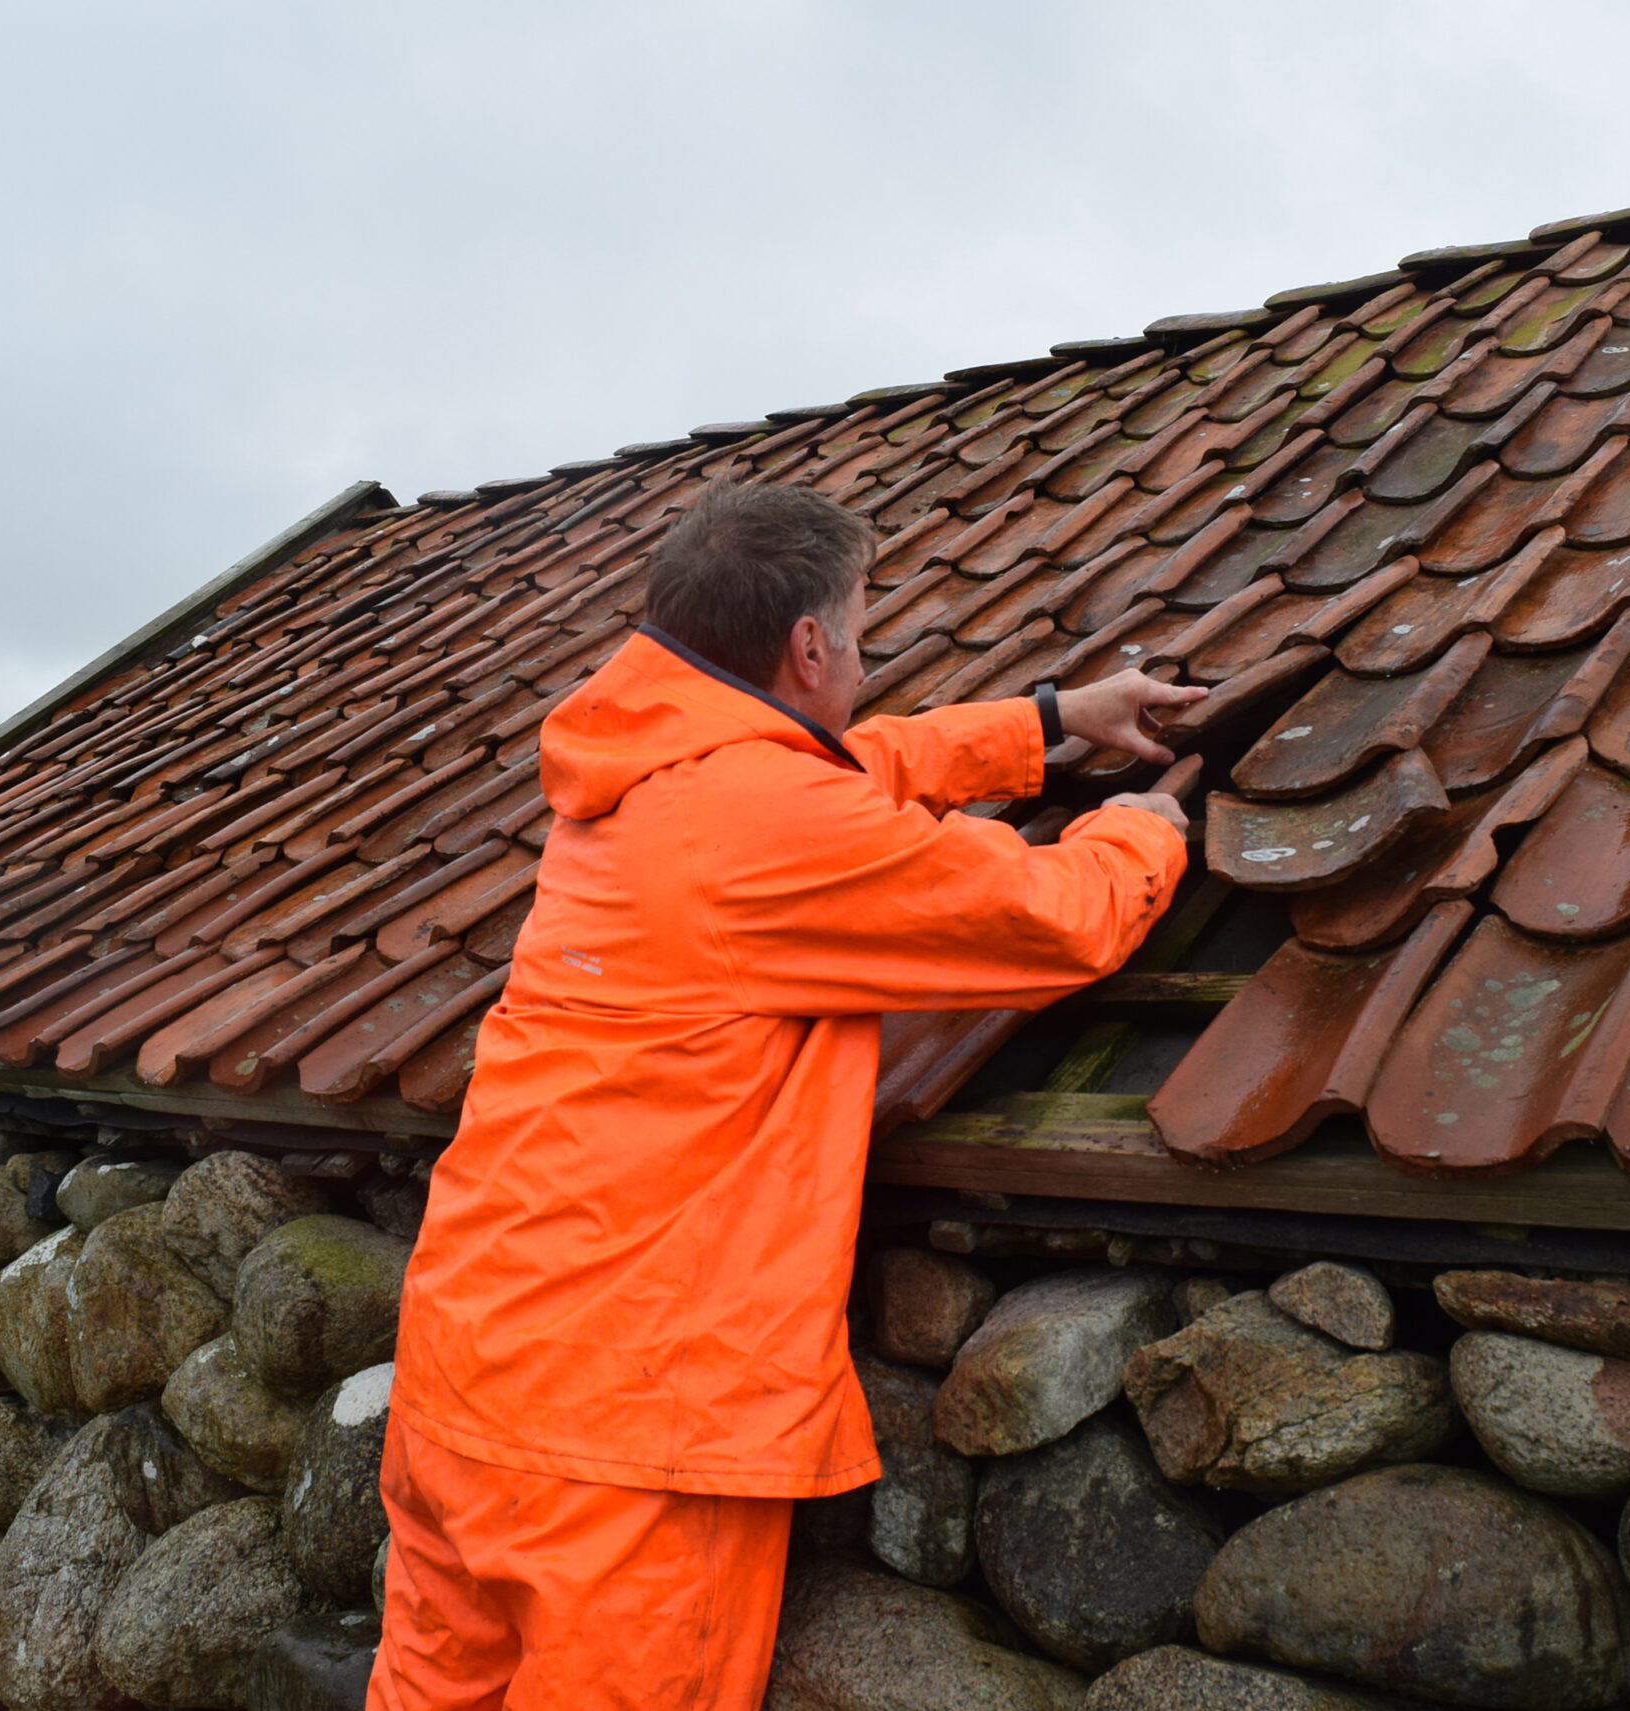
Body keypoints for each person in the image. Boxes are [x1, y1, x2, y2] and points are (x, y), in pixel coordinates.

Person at [371, 478, 1203, 1710]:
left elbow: (848, 764)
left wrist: (1046, 721)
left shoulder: (643, 771)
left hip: (467, 1377)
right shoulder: (763, 822)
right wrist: (1143, 825)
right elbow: (1052, 917)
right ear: (808, 643)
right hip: (628, 1438)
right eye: (859, 631)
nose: (862, 659)